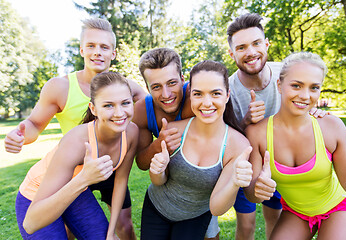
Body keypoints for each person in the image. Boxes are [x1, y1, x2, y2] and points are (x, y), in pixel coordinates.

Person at [5, 18, 146, 239]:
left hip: (101, 168)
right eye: (91, 45)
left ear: (114, 53)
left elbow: (157, 105)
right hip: (67, 173)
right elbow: (33, 124)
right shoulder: (60, 88)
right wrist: (21, 135)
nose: (97, 52)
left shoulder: (127, 90)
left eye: (104, 47)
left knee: (118, 229)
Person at [226, 13, 327, 239]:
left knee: (277, 219)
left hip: (285, 161)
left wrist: (314, 109)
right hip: (249, 164)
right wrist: (246, 122)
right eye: (241, 47)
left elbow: (306, 96)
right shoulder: (228, 90)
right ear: (232, 54)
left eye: (256, 43)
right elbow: (227, 138)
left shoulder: (287, 73)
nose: (251, 52)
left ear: (266, 44)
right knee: (246, 225)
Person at [245, 52, 346, 239]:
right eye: (296, 85)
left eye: (314, 88)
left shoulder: (331, 127)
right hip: (297, 212)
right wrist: (258, 189)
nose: (305, 96)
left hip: (340, 207)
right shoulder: (257, 133)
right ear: (279, 85)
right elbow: (251, 194)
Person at [16, 72, 139, 239]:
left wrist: (111, 233)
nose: (119, 113)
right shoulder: (76, 141)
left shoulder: (131, 132)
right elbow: (30, 224)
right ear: (93, 109)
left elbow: (121, 180)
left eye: (125, 103)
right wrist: (84, 179)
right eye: (108, 105)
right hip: (37, 198)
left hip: (78, 192)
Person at [140, 60, 253, 240]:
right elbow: (159, 181)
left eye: (215, 93)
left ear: (227, 95)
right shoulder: (173, 130)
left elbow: (216, 207)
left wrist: (234, 183)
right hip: (156, 208)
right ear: (190, 96)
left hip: (194, 217)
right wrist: (157, 170)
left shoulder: (238, 146)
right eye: (198, 94)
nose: (206, 103)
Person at [133, 48, 220, 239]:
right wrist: (158, 145)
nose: (166, 94)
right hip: (167, 189)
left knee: (211, 235)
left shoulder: (198, 98)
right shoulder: (142, 110)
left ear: (183, 78)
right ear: (147, 87)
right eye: (156, 87)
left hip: (204, 187)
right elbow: (141, 163)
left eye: (172, 83)